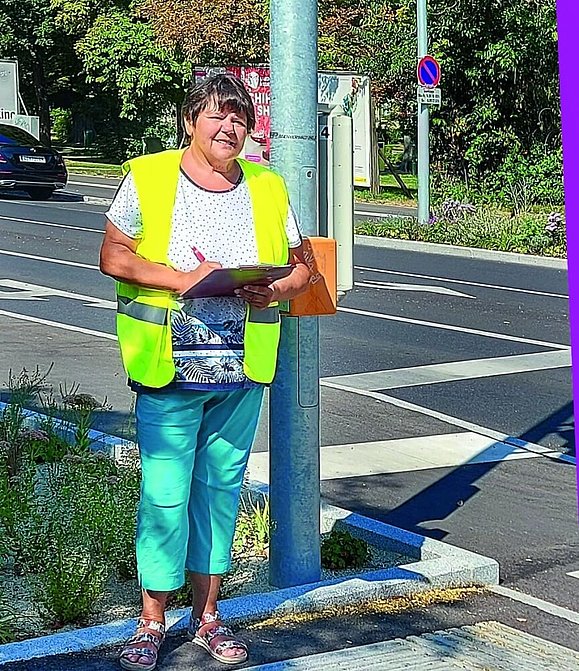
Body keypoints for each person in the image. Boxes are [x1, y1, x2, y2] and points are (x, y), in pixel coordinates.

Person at [99, 72, 311, 671]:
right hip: (167, 368)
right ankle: (149, 622)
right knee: (164, 497)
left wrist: (278, 290)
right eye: (218, 114)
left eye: (240, 117)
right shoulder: (150, 176)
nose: (230, 127)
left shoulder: (267, 185)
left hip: (241, 371)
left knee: (220, 495)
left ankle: (209, 618)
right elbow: (113, 254)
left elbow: (302, 271)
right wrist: (180, 279)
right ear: (190, 120)